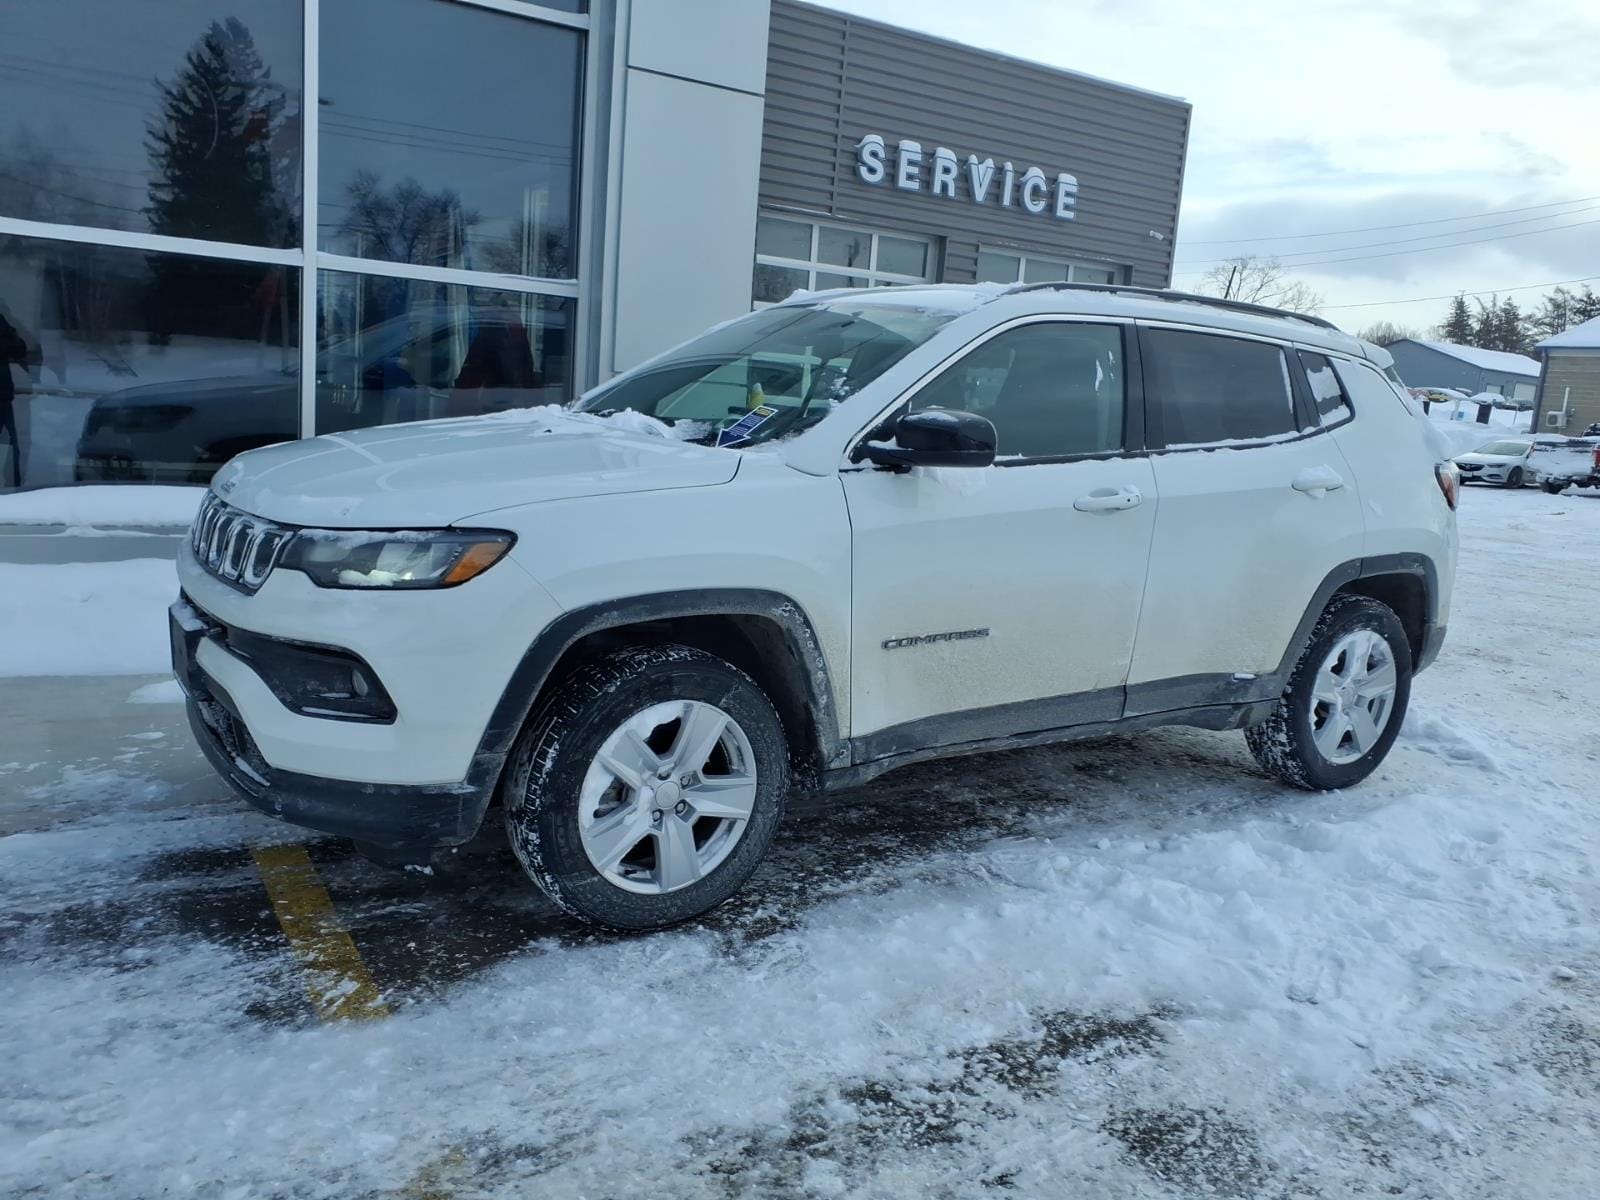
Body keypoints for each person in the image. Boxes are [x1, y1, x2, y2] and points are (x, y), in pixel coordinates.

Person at [0, 306, 39, 488]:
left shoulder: (3, 322)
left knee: (13, 442)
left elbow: (21, 348)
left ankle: (14, 486)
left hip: (3, 396)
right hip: (4, 394)